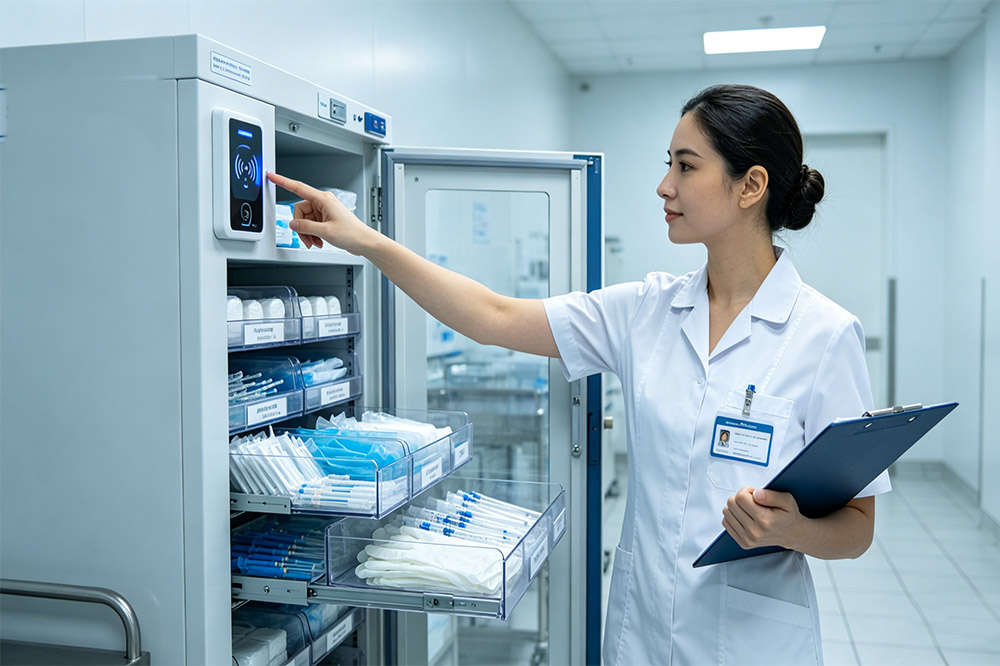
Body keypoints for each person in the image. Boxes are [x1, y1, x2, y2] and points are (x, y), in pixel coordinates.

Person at [267, 82, 890, 665]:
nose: (663, 186)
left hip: (754, 640)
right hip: (642, 627)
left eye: (685, 165)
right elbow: (491, 316)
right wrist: (367, 240)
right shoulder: (647, 310)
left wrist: (792, 528)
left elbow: (856, 529)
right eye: (668, 163)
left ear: (749, 186)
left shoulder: (824, 336)